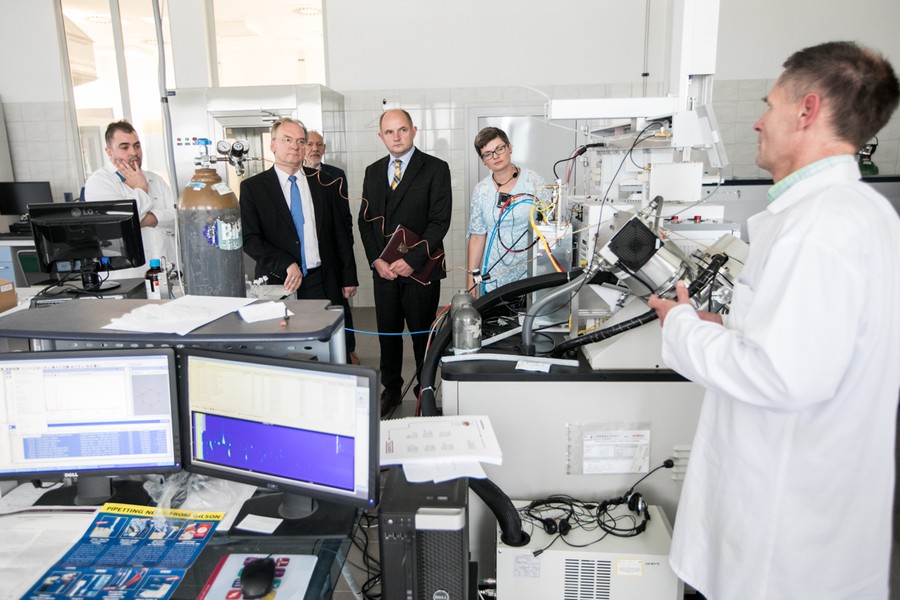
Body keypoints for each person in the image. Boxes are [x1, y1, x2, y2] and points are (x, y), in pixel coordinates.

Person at [647, 41, 900, 599]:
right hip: (815, 515)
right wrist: (725, 330)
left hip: (786, 541)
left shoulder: (819, 227)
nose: (759, 122)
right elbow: (811, 348)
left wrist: (682, 325)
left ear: (808, 110)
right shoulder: (859, 214)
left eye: (769, 105)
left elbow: (782, 376)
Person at [358, 109, 452, 417]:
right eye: (389, 132)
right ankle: (392, 389)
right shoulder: (373, 171)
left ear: (414, 131)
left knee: (422, 335)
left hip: (420, 270)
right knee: (388, 333)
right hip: (384, 271)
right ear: (380, 136)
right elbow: (364, 221)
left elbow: (439, 222)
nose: (396, 137)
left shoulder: (436, 168)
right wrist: (376, 260)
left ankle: (424, 389)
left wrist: (412, 260)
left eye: (401, 130)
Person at [240, 117, 358, 333]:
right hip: (280, 282)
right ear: (273, 144)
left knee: (331, 340)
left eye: (300, 141)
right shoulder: (253, 188)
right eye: (287, 139)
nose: (294, 146)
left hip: (322, 279)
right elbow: (250, 238)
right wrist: (285, 263)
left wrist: (349, 276)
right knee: (285, 340)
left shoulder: (325, 182)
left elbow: (340, 232)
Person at [84, 120, 176, 279]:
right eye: (125, 147)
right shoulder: (99, 181)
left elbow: (178, 217)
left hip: (166, 271)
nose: (134, 152)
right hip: (127, 276)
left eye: (137, 146)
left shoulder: (155, 179)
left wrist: (149, 219)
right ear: (109, 152)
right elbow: (118, 225)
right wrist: (140, 188)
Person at [466, 127, 545, 296]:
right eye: (488, 154)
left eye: (499, 148)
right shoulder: (481, 190)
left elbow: (549, 226)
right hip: (494, 277)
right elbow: (477, 236)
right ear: (483, 160)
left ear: (509, 147)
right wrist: (471, 279)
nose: (495, 156)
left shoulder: (534, 182)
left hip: (529, 275)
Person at [305, 130, 359, 364]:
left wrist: (347, 254)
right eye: (310, 144)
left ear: (324, 149)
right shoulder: (296, 176)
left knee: (340, 306)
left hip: (333, 252)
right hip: (307, 257)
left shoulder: (335, 175)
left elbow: (344, 217)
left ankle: (348, 349)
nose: (314, 149)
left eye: (319, 145)